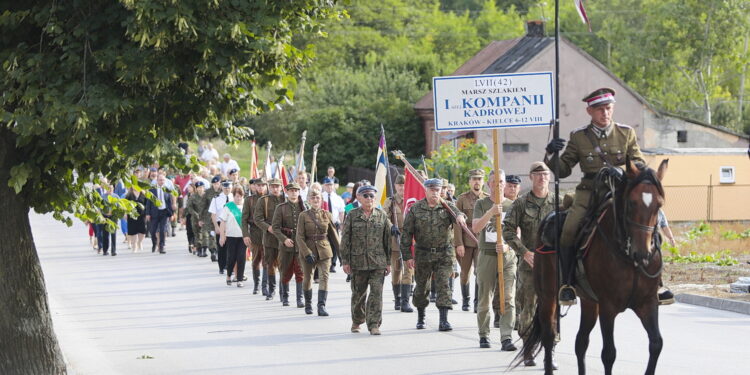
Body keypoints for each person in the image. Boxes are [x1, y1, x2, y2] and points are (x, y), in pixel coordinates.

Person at [544, 87, 650, 305]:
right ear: (589, 111)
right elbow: (563, 169)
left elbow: (640, 162)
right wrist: (551, 154)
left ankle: (654, 281)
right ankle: (568, 283)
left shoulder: (626, 133)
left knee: (648, 222)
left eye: (608, 108)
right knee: (569, 230)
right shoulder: (579, 136)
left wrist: (621, 170)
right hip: (589, 193)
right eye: (600, 109)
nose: (605, 113)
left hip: (620, 191)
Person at [503, 162, 557, 365]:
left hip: (554, 267)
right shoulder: (521, 203)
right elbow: (507, 231)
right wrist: (524, 253)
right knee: (528, 307)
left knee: (552, 309)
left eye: (545, 174)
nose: (542, 177)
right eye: (538, 174)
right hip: (530, 266)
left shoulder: (558, 202)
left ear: (549, 177)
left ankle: (550, 351)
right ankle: (527, 349)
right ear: (531, 177)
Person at [400, 178, 467, 332]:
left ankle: (443, 320)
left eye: (437, 190)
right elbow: (407, 233)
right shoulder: (416, 209)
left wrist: (461, 217)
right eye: (432, 190)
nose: (435, 193)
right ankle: (421, 317)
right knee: (422, 287)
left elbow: (459, 214)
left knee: (444, 286)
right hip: (423, 253)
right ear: (426, 190)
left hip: (444, 254)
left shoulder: (448, 207)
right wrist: (407, 256)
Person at [471, 170, 516, 350]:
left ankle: (506, 336)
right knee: (484, 298)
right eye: (494, 182)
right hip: (487, 256)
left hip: (507, 257)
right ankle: (484, 334)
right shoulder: (482, 204)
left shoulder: (513, 205)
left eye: (501, 182)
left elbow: (517, 233)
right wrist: (490, 212)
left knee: (508, 298)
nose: (498, 185)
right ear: (488, 184)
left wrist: (507, 246)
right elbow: (475, 227)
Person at [341, 185, 392, 335]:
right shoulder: (352, 215)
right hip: (358, 262)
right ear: (358, 198)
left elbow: (387, 240)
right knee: (358, 294)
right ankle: (357, 321)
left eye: (371, 196)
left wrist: (388, 262)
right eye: (366, 196)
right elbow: (345, 240)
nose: (369, 198)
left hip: (378, 262)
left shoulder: (382, 215)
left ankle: (374, 324)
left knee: (376, 294)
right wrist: (345, 261)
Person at [296, 189, 340, 316]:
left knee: (324, 277)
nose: (315, 200)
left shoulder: (327, 215)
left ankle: (321, 306)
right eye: (313, 198)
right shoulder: (303, 215)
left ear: (321, 200)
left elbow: (334, 236)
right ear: (309, 200)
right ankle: (308, 304)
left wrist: (342, 255)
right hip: (308, 249)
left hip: (324, 250)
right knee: (308, 277)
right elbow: (299, 237)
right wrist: (306, 252)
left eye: (318, 198)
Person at [454, 169, 488, 312]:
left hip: (482, 241)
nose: (477, 182)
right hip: (467, 242)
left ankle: (477, 302)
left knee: (480, 272)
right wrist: (459, 243)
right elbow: (457, 223)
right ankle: (466, 300)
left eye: (479, 179)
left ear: (483, 181)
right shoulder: (462, 199)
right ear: (469, 182)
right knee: (465, 273)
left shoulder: (487, 199)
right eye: (474, 179)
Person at [383, 174, 414, 313]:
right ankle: (397, 297)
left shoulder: (411, 201)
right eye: (399, 185)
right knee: (396, 272)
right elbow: (384, 218)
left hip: (409, 239)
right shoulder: (390, 202)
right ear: (395, 186)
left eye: (404, 185)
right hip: (395, 240)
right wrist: (391, 226)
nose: (402, 188)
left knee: (408, 270)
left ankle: (405, 301)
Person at [272, 182, 306, 308]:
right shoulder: (281, 208)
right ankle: (285, 297)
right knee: (285, 271)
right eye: (291, 190)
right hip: (285, 246)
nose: (293, 192)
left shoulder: (304, 207)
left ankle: (300, 299)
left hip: (300, 245)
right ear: (286, 192)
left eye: (296, 190)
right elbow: (275, 228)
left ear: (299, 192)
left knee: (300, 272)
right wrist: (284, 239)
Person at [254, 178, 286, 300]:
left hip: (284, 238)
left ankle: (284, 292)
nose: (275, 189)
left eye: (277, 186)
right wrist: (268, 228)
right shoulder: (264, 201)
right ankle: (272, 290)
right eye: (272, 187)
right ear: (269, 187)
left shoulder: (286, 199)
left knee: (284, 265)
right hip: (270, 238)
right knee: (270, 264)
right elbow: (258, 219)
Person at [242, 178, 268, 295]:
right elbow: (244, 220)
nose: (261, 187)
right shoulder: (249, 200)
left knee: (267, 261)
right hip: (255, 233)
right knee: (256, 260)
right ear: (254, 187)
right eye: (259, 185)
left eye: (263, 185)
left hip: (269, 233)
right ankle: (257, 284)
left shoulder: (271, 199)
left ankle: (265, 285)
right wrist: (245, 235)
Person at [220, 186, 247, 287]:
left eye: (240, 196)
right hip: (231, 236)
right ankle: (228, 275)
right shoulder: (228, 206)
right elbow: (222, 222)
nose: (238, 198)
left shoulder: (246, 206)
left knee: (241, 257)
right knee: (231, 258)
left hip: (243, 237)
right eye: (236, 196)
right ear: (233, 196)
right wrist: (222, 236)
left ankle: (240, 279)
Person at [209, 181, 234, 274]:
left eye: (229, 188)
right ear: (222, 188)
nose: (227, 189)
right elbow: (213, 214)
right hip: (220, 224)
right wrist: (216, 226)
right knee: (221, 246)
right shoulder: (216, 199)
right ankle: (222, 266)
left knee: (231, 246)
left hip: (232, 224)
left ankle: (230, 266)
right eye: (225, 188)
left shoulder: (234, 197)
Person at [145, 174, 174, 254]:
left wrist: (172, 214)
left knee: (163, 229)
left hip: (164, 212)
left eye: (163, 180)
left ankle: (162, 246)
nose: (162, 181)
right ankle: (154, 243)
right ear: (157, 181)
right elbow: (148, 203)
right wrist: (147, 213)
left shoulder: (167, 190)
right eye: (160, 180)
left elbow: (169, 202)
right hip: (154, 212)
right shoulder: (152, 190)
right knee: (153, 230)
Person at [322, 177, 345, 272]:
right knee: (325, 243)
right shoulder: (321, 196)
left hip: (335, 223)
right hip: (323, 223)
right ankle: (326, 262)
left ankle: (333, 264)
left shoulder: (338, 198)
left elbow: (341, 212)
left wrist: (342, 224)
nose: (329, 187)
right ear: (324, 186)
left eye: (331, 185)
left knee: (335, 243)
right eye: (327, 185)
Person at [187, 181, 210, 257]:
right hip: (195, 219)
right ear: (196, 189)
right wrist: (196, 214)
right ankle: (199, 250)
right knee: (197, 235)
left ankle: (205, 249)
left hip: (205, 218)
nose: (201, 189)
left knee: (205, 234)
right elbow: (189, 208)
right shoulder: (192, 197)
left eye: (202, 187)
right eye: (199, 188)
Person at [203, 175, 222, 261]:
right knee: (211, 234)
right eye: (214, 184)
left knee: (219, 234)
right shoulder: (207, 192)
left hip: (220, 217)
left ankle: (219, 251)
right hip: (209, 217)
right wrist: (201, 218)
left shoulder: (223, 192)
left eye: (217, 183)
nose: (216, 185)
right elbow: (203, 205)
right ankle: (213, 251)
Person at [125, 187, 147, 252]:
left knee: (142, 230)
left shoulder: (143, 194)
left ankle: (139, 242)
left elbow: (147, 204)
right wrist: (125, 214)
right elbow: (125, 205)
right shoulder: (129, 195)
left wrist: (147, 213)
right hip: (132, 215)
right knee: (133, 230)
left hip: (142, 215)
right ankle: (134, 246)